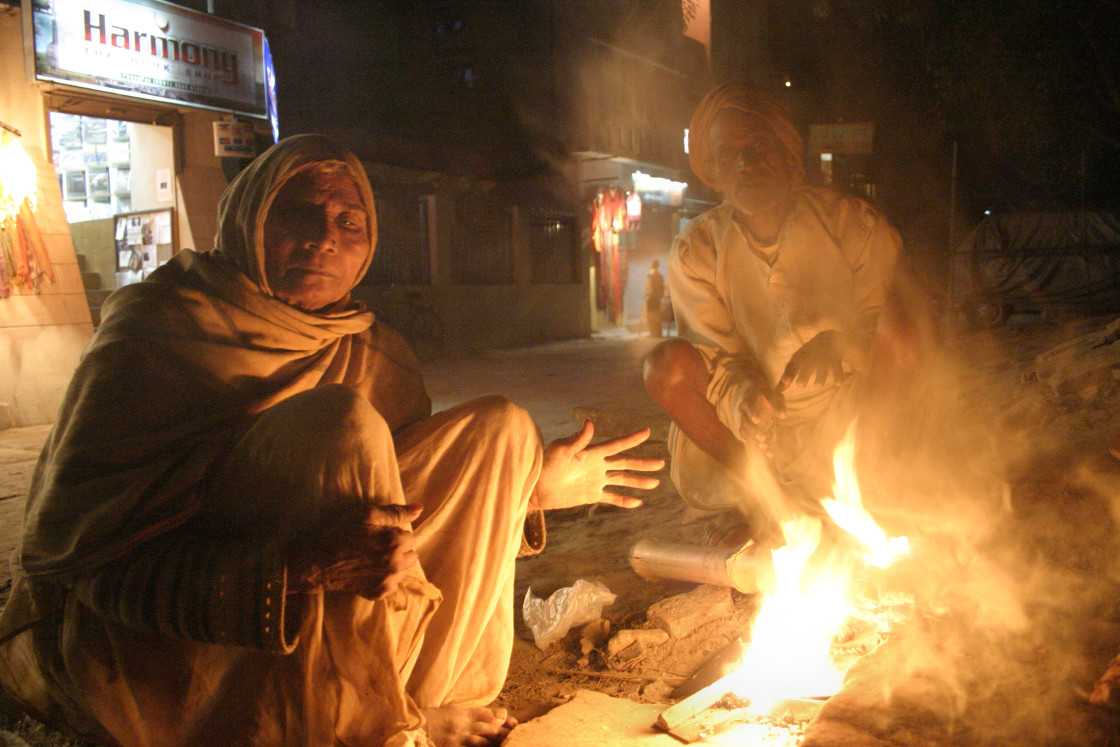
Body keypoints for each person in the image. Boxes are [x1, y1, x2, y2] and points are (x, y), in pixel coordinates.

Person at [0, 134, 662, 747]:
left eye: (350, 223)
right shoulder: (156, 334)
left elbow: (407, 537)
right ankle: (366, 727)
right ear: (249, 218)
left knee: (501, 429)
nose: (324, 239)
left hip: (318, 641)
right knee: (338, 427)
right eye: (299, 213)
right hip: (173, 660)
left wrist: (528, 489)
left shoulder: (373, 351)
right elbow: (86, 568)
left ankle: (403, 703)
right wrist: (292, 569)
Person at [643, 83, 900, 546]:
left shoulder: (853, 224)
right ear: (715, 173)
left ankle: (861, 477)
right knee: (663, 366)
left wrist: (844, 343)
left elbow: (897, 330)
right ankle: (763, 496)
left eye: (759, 147)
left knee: (906, 333)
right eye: (728, 156)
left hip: (845, 412)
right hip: (754, 436)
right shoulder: (696, 250)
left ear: (788, 156)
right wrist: (746, 400)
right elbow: (714, 359)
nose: (746, 164)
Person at [644, 259, 665, 338]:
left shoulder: (651, 275)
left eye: (651, 263)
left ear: (653, 265)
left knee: (651, 316)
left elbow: (649, 288)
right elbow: (662, 288)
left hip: (651, 299)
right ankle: (657, 333)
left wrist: (647, 297)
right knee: (656, 316)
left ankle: (653, 333)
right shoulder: (659, 276)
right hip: (656, 299)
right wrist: (659, 296)